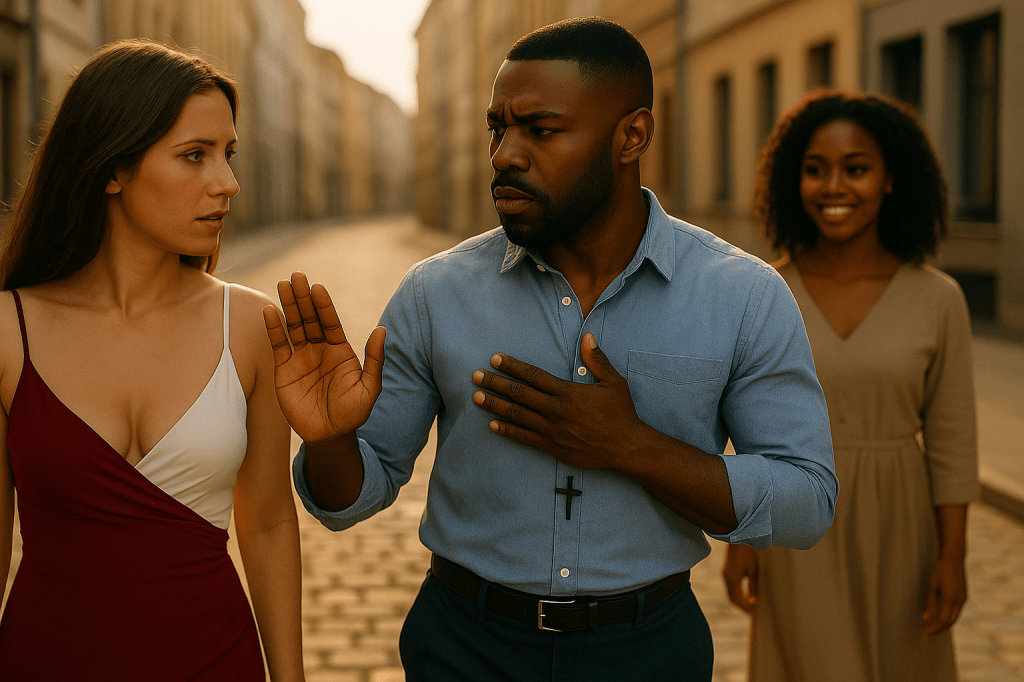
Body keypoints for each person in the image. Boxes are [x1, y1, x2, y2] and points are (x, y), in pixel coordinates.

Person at [267, 18, 836, 681]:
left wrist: (632, 446)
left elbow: (807, 500)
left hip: (648, 653)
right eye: (497, 129)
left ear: (632, 136)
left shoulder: (742, 296)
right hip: (465, 649)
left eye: (541, 130)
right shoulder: (434, 294)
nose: (505, 153)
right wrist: (333, 440)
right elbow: (349, 500)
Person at [0, 40, 304, 680]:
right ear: (112, 167)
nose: (227, 183)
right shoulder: (8, 329)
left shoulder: (249, 326)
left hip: (215, 660)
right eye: (194, 156)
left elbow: (271, 522)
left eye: (228, 153)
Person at [723, 91, 979, 682]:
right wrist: (742, 540)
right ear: (795, 181)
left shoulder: (939, 298)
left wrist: (954, 554)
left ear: (891, 180)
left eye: (856, 169)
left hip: (903, 525)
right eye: (815, 170)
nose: (834, 187)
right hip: (797, 522)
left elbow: (953, 440)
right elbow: (749, 432)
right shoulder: (765, 293)